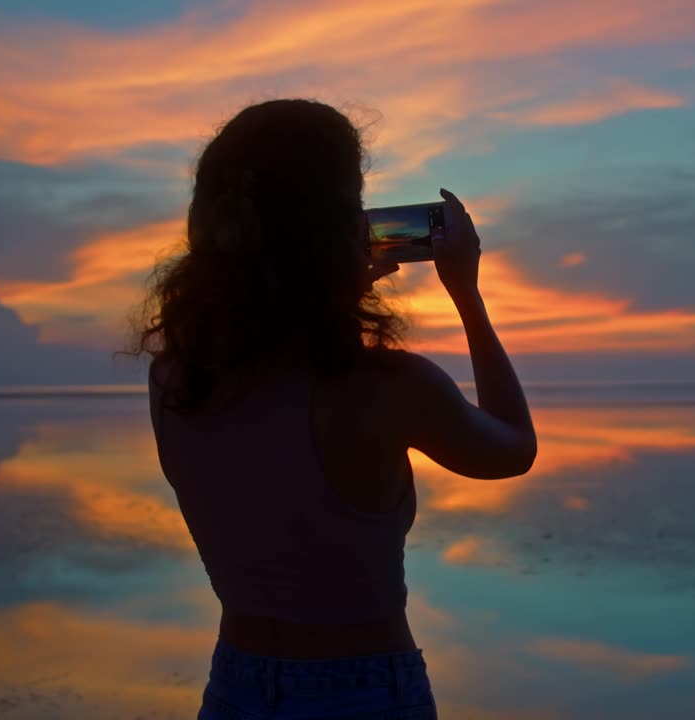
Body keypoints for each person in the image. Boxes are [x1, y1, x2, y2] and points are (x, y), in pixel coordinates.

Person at [129, 99, 536, 719]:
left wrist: (325, 298)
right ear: (337, 228)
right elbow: (512, 447)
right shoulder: (386, 388)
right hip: (363, 692)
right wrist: (468, 295)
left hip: (237, 688)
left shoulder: (176, 381)